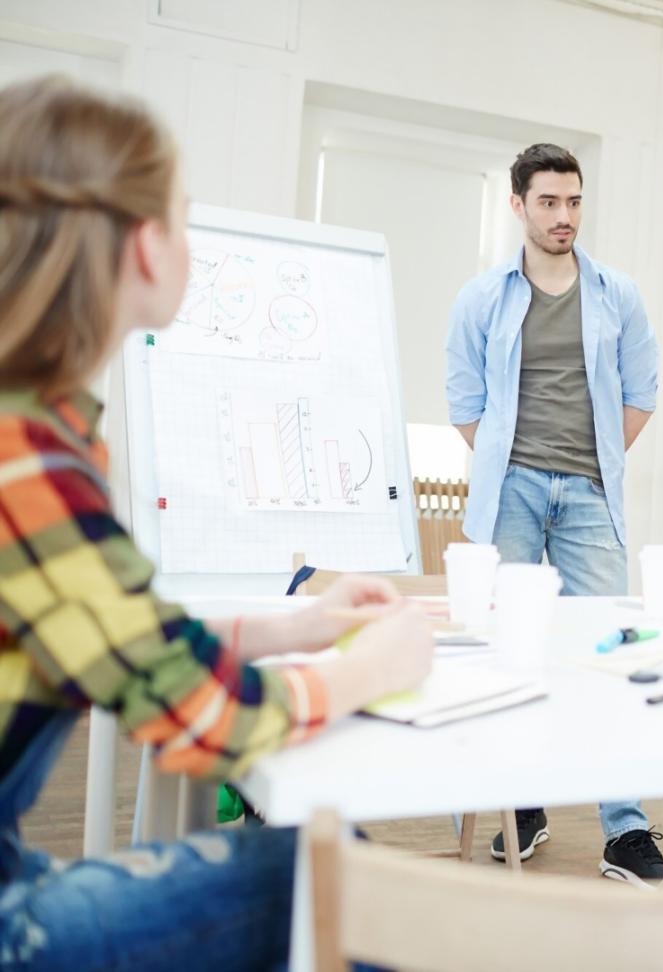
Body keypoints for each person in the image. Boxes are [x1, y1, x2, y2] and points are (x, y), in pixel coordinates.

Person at [0, 75, 434, 969]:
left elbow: (120, 637)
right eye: (184, 217)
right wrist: (369, 670)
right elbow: (207, 720)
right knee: (338, 877)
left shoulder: (31, 432)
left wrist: (298, 626)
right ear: (148, 247)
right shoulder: (29, 463)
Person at [444, 143, 663, 884]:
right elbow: (463, 399)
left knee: (611, 648)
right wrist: (509, 463)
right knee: (508, 648)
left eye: (573, 201)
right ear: (518, 205)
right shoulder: (482, 297)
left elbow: (643, 389)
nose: (564, 215)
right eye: (548, 202)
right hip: (508, 489)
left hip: (590, 491)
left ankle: (625, 828)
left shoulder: (617, 295)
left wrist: (595, 460)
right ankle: (519, 804)